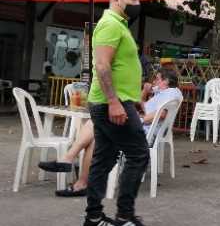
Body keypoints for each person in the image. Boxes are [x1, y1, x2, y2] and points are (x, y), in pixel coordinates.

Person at [83, 0, 154, 226]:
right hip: (109, 103)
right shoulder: (110, 25)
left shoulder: (118, 25)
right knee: (138, 154)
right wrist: (114, 101)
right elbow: (102, 66)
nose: (138, 4)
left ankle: (93, 217)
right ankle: (124, 217)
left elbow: (120, 69)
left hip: (116, 101)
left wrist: (132, 97)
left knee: (104, 159)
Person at [38, 69, 182, 197]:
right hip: (139, 129)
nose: (154, 81)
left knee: (96, 122)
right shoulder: (163, 94)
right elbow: (143, 105)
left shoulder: (170, 93)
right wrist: (145, 91)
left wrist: (138, 119)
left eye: (157, 78)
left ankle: (69, 158)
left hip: (140, 133)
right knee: (96, 136)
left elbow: (161, 114)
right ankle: (82, 183)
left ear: (166, 81)